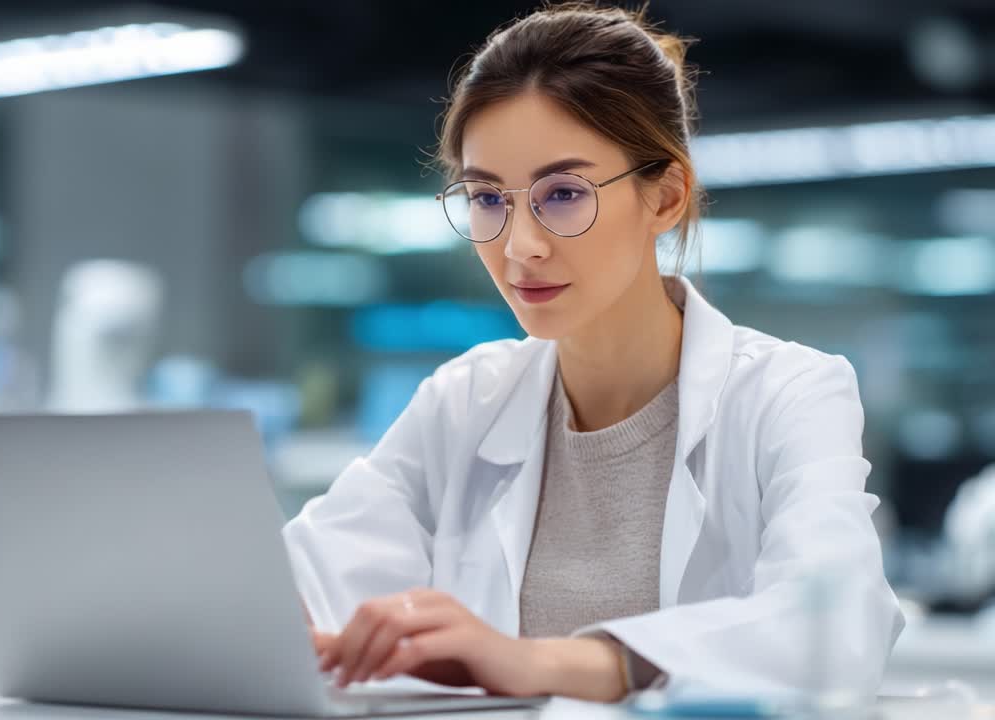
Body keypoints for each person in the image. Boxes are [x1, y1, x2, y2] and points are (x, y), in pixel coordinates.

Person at [283, 2, 903, 703]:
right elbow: (290, 587)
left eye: (564, 194)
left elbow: (834, 625)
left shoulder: (788, 393)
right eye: (488, 199)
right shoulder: (466, 402)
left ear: (666, 197)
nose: (520, 246)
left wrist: (543, 666)